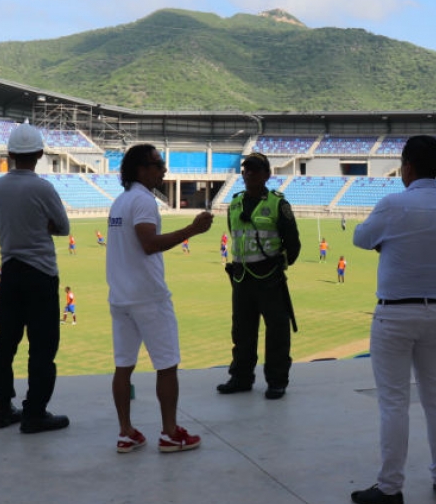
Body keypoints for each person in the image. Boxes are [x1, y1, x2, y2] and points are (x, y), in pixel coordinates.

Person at [349, 135, 436, 504]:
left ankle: (390, 487)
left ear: (408, 168)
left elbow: (361, 238)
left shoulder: (393, 204)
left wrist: (389, 242)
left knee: (394, 403)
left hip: (395, 314)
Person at [108, 144, 213, 453]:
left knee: (123, 366)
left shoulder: (120, 201)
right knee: (167, 365)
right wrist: (191, 230)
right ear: (142, 169)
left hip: (121, 296)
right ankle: (169, 433)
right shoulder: (143, 201)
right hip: (148, 296)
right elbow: (149, 243)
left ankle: (126, 432)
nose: (164, 169)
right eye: (158, 164)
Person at [0, 124, 71, 433]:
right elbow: (62, 227)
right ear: (39, 154)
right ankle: (35, 412)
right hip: (40, 273)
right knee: (42, 348)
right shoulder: (43, 188)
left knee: (5, 343)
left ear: (10, 154)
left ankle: (1, 408)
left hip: (9, 271)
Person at [217, 152, 301, 400]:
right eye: (246, 170)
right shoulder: (234, 203)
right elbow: (235, 235)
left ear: (267, 174)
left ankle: (276, 381)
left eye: (255, 170)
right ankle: (241, 378)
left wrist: (278, 267)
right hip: (242, 278)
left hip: (270, 278)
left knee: (276, 331)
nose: (249, 174)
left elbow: (293, 244)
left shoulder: (278, 204)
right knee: (241, 331)